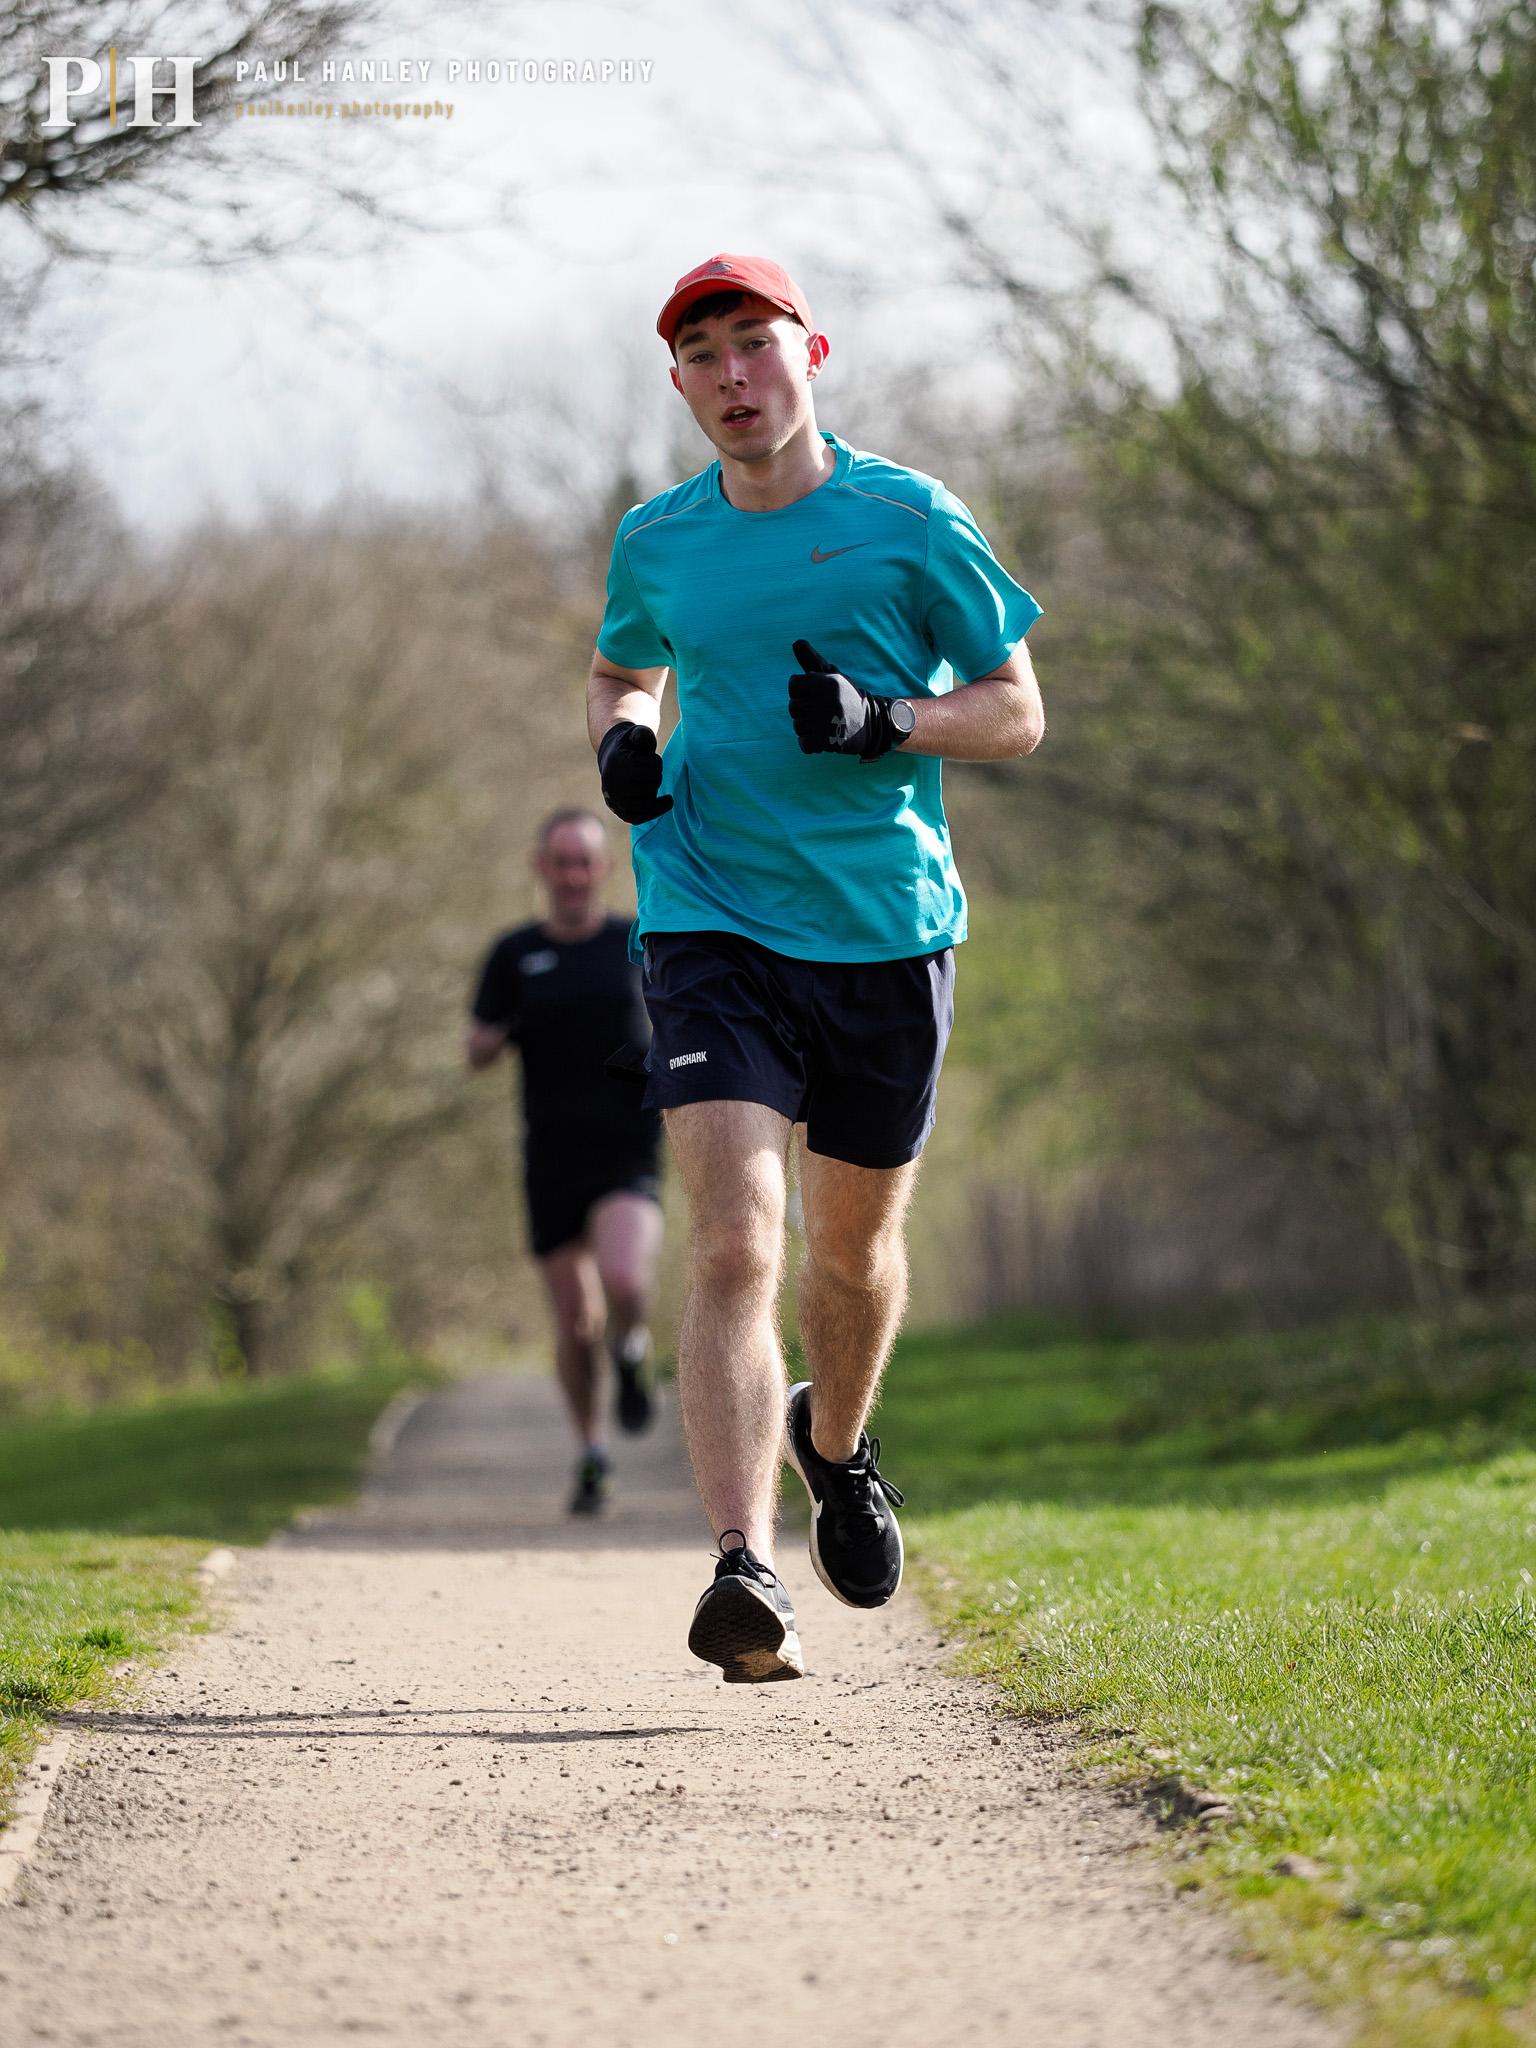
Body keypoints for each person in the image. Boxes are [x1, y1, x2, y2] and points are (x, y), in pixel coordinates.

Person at [586, 253, 1045, 1679]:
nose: (732, 379)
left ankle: (835, 1447)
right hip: (709, 913)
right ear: (679, 387)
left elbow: (1019, 712)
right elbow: (624, 665)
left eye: (755, 346)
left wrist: (886, 720)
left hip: (887, 933)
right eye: (703, 357)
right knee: (735, 1239)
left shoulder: (908, 519)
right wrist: (626, 738)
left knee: (852, 1253)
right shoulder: (659, 540)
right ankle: (744, 1566)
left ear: (813, 354)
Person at [466, 809, 665, 1515]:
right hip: (550, 1154)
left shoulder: (637, 941)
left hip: (627, 1146)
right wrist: (501, 1034)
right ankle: (591, 1452)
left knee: (622, 1276)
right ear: (541, 868)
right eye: (562, 861)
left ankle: (634, 1347)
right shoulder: (514, 954)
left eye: (586, 860)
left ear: (604, 867)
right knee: (574, 1322)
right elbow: (477, 1046)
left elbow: (683, 1014)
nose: (574, 874)